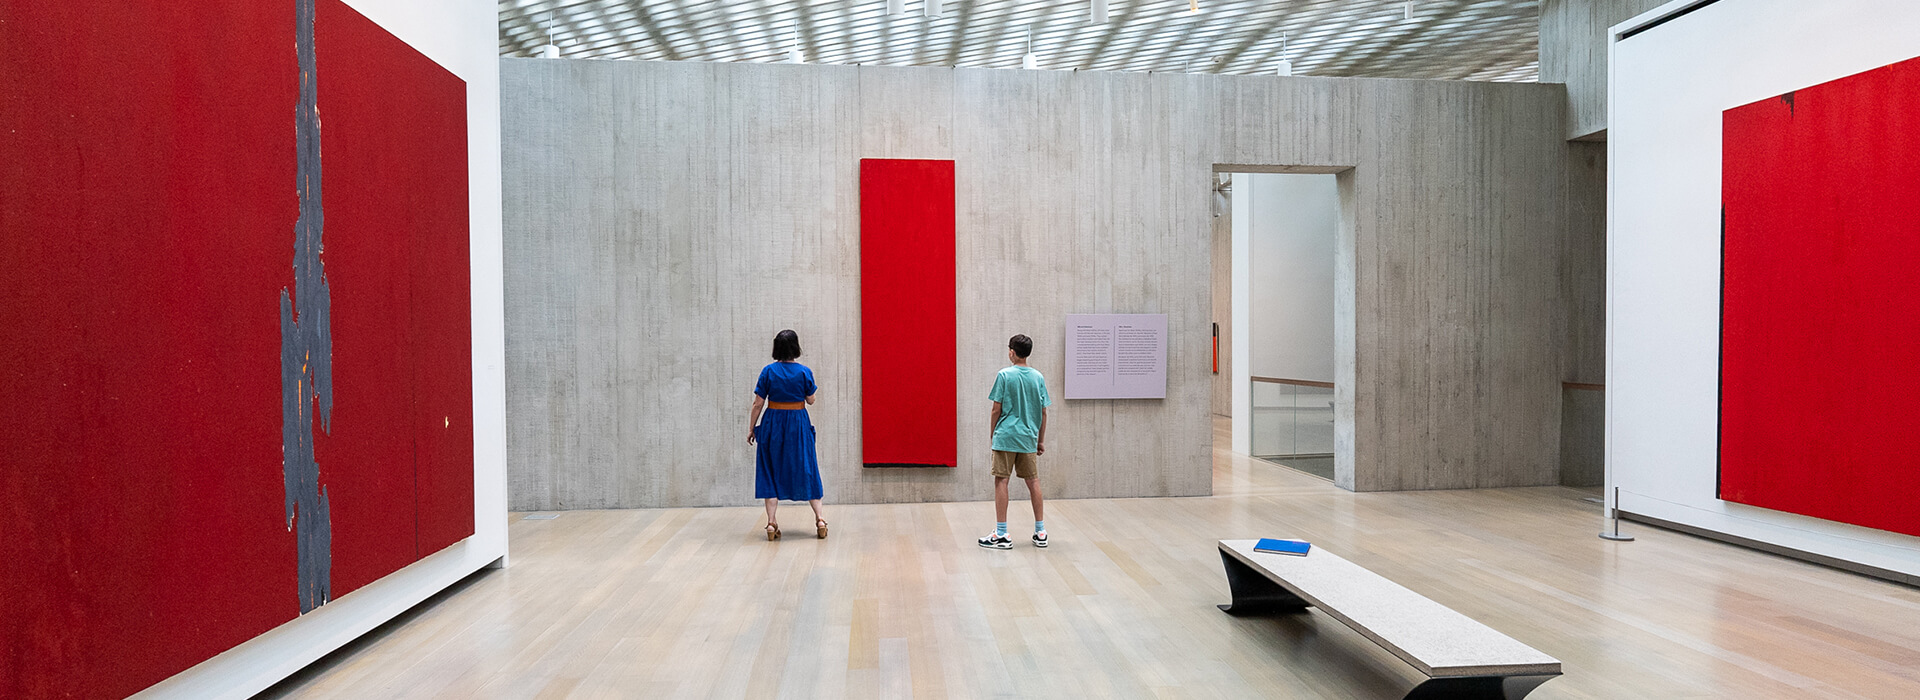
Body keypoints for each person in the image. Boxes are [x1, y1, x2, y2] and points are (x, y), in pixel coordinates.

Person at [747, 330, 826, 541]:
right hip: (798, 422)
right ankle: (819, 519)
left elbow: (757, 403)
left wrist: (752, 428)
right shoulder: (804, 372)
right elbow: (811, 400)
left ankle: (772, 523)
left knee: (770, 470)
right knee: (806, 467)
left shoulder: (768, 372)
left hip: (773, 422)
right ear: (796, 348)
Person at [979, 334, 1052, 550]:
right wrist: (1040, 440)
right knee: (1033, 482)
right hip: (1028, 437)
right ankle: (1040, 531)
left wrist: (993, 434)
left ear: (1012, 351)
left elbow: (996, 409)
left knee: (1002, 481)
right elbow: (1044, 411)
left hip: (1006, 436)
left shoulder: (1004, 375)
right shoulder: (1038, 377)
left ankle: (1001, 533)